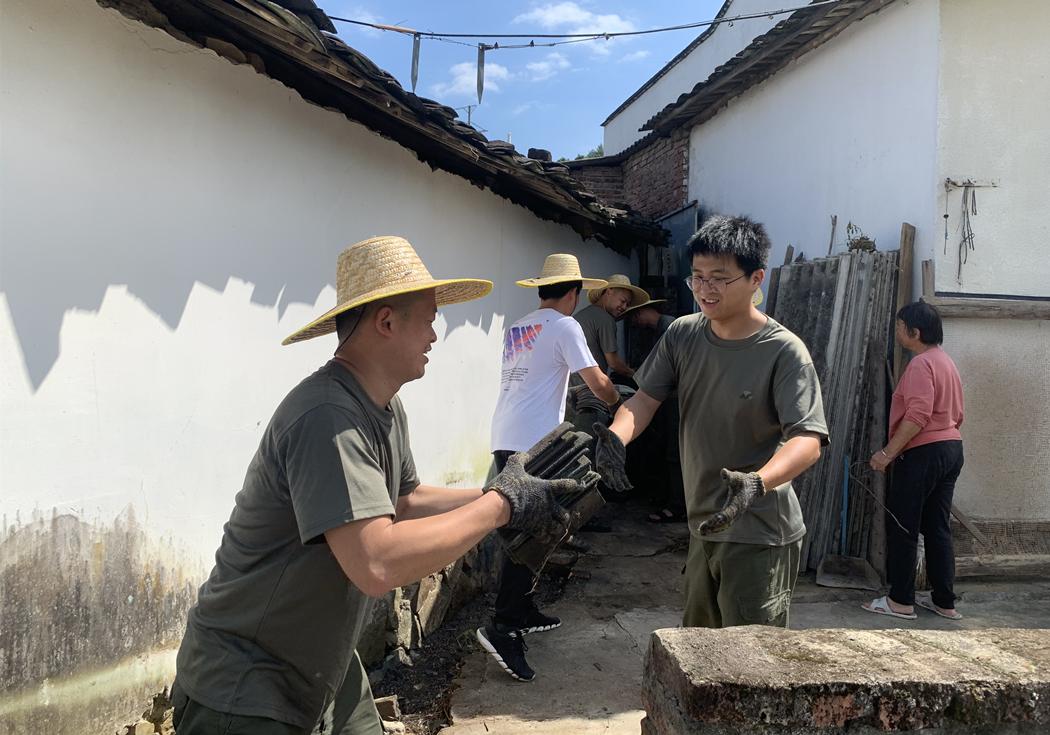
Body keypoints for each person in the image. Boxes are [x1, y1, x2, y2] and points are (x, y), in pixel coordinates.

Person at [171, 236, 576, 735]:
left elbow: (404, 501)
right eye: (428, 317)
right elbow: (376, 562)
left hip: (323, 669)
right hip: (247, 684)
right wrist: (500, 506)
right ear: (386, 322)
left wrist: (517, 488)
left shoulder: (383, 405)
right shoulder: (327, 415)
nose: (435, 333)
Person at [593, 215, 829, 628]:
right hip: (703, 524)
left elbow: (807, 438)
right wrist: (616, 438)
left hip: (759, 531)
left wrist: (757, 482)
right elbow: (646, 398)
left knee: (750, 662)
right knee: (698, 651)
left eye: (719, 278)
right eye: (697, 278)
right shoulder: (682, 334)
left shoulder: (784, 351)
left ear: (756, 278)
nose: (705, 289)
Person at [480, 254, 619, 682]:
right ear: (574, 293)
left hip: (506, 435)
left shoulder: (520, 325)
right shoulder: (565, 325)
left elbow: (537, 376)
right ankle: (503, 626)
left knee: (532, 527)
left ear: (542, 289)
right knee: (536, 528)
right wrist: (621, 403)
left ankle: (520, 609)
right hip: (536, 443)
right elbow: (597, 382)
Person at [864, 301, 965, 621]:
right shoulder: (946, 362)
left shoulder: (921, 364)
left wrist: (886, 454)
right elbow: (958, 414)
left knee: (904, 526)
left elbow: (918, 416)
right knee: (937, 528)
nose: (896, 331)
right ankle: (944, 602)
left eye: (899, 326)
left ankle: (900, 601)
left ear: (915, 332)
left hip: (924, 452)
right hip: (951, 448)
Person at [619, 298, 684, 524]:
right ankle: (669, 498)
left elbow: (670, 369)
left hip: (675, 398)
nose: (636, 321)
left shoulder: (671, 327)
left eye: (636, 315)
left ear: (648, 309)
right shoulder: (660, 328)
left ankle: (677, 506)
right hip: (667, 398)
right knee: (664, 449)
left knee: (674, 453)